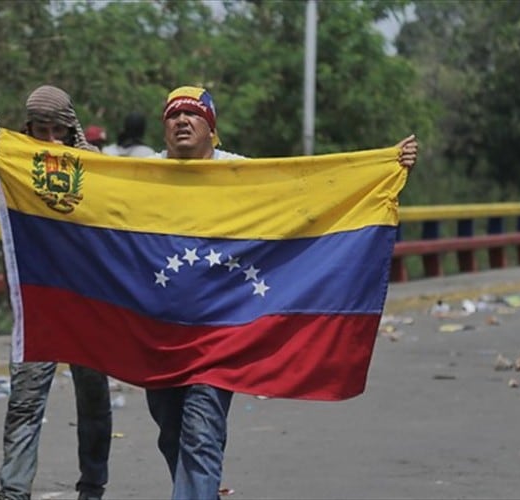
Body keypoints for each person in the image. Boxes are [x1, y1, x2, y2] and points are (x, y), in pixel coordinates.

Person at [144, 85, 419, 500]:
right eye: (172, 115)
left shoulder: (242, 175)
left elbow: (313, 191)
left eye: (192, 114)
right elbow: (88, 189)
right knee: (171, 430)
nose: (181, 121)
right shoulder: (140, 175)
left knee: (200, 431)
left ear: (211, 127)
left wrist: (384, 167)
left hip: (220, 330)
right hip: (159, 332)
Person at [0, 85, 113, 500]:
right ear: (29, 129)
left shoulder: (98, 167)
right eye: (41, 131)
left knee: (93, 400)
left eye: (58, 130)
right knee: (25, 399)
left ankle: (92, 486)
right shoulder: (20, 162)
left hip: (89, 303)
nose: (51, 140)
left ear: (71, 128)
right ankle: (13, 491)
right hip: (41, 304)